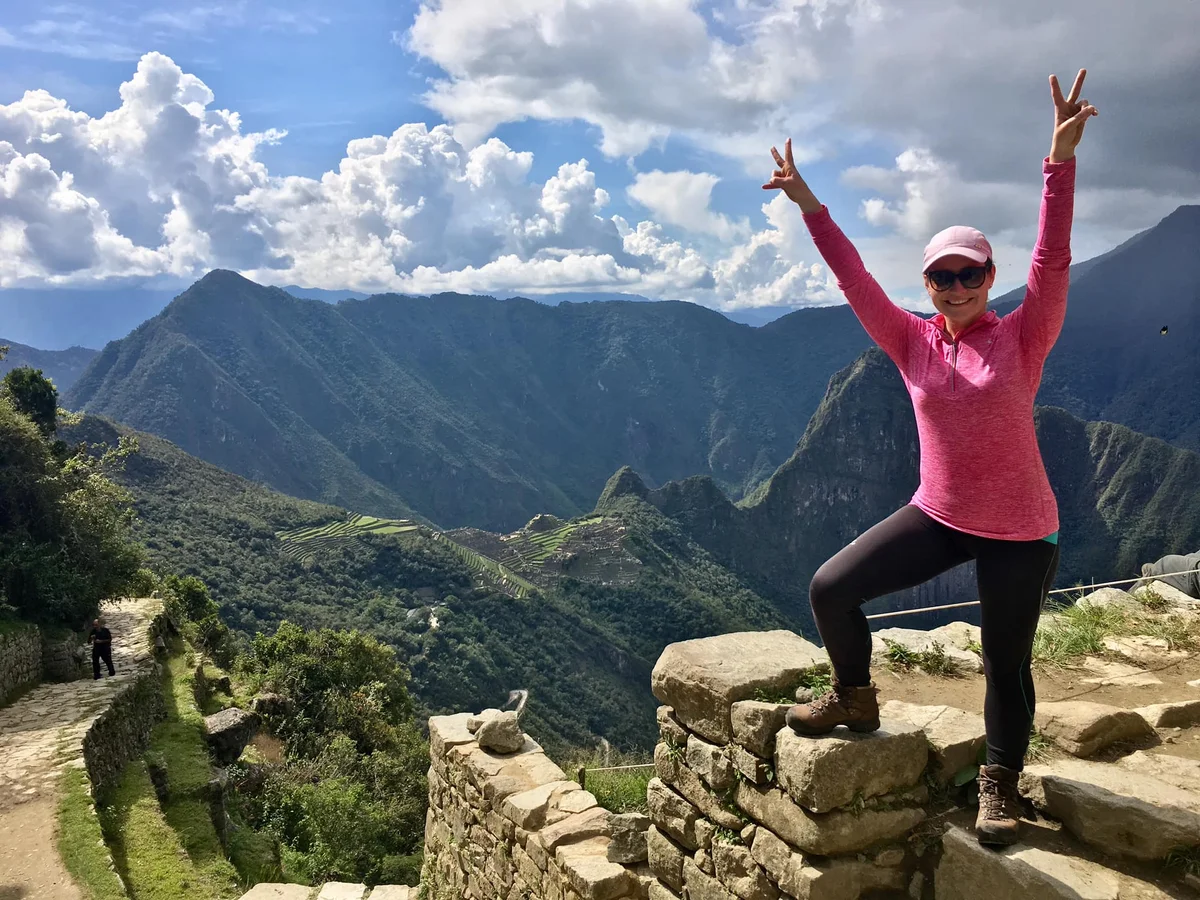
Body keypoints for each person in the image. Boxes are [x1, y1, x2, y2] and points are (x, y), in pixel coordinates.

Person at [762, 70, 1098, 847]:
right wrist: (810, 205)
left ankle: (1000, 783)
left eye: (969, 274)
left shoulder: (1022, 335)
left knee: (1004, 664)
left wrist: (1060, 160)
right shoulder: (909, 340)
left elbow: (1052, 263)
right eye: (941, 277)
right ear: (928, 284)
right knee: (831, 589)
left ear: (988, 277)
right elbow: (853, 278)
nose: (954, 288)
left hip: (1019, 529)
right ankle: (854, 695)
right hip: (940, 513)